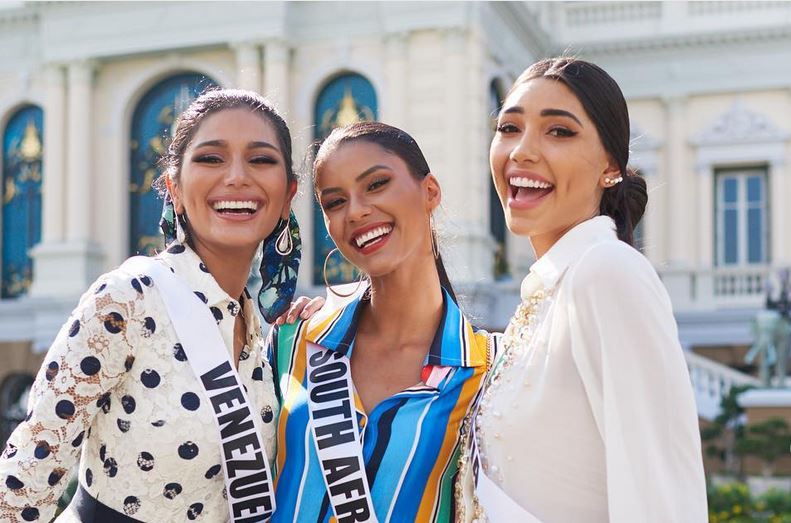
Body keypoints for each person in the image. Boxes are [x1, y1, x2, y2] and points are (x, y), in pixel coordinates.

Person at [0, 89, 303, 522]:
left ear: (288, 194)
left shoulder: (259, 335)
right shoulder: (128, 299)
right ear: (173, 186)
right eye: (211, 158)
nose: (237, 177)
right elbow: (25, 482)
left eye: (261, 160)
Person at [462, 57, 707, 522]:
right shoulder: (544, 296)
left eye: (559, 132)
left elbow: (662, 497)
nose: (522, 152)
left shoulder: (607, 272)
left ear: (611, 166)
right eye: (509, 128)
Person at [267, 122, 497, 522]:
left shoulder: (487, 373)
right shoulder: (292, 341)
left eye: (376, 185)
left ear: (430, 192)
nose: (356, 211)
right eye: (335, 202)